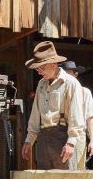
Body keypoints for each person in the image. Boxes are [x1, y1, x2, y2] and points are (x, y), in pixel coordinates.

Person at [21, 41, 85, 170]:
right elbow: (35, 113)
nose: (39, 72)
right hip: (43, 138)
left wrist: (71, 143)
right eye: (37, 68)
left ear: (54, 64)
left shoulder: (70, 83)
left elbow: (76, 115)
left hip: (62, 139)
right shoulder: (41, 84)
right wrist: (29, 139)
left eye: (42, 68)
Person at [60, 61, 93, 169]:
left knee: (78, 169)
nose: (66, 76)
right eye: (64, 73)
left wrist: (92, 140)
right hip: (60, 133)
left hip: (79, 135)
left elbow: (89, 117)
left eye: (68, 73)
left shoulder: (85, 92)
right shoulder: (59, 92)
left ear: (76, 74)